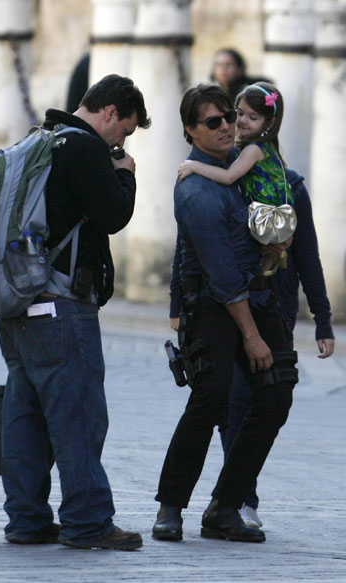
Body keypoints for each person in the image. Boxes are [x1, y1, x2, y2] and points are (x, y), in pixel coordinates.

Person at [0, 74, 151, 550]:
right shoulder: (82, 148)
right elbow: (111, 215)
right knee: (79, 415)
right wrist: (124, 174)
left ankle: (26, 520)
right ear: (109, 112)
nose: (120, 140)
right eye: (123, 130)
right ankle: (87, 522)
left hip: (18, 302)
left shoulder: (37, 139)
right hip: (62, 305)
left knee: (23, 414)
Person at [152, 83, 298, 544]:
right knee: (210, 398)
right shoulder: (196, 188)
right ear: (191, 131)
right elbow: (216, 269)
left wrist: (276, 240)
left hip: (256, 294)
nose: (226, 127)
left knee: (276, 394)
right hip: (219, 304)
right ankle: (170, 507)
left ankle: (226, 505)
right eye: (213, 122)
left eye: (229, 118)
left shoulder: (243, 169)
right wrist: (250, 336)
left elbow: (267, 222)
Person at [223, 167, 335, 528]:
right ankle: (238, 498)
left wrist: (322, 317)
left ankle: (236, 496)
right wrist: (179, 307)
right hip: (228, 307)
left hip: (276, 313)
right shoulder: (222, 180)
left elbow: (307, 256)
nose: (239, 125)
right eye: (236, 117)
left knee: (268, 404)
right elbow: (191, 244)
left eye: (252, 117)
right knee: (233, 405)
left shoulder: (293, 188)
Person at [178, 81, 296, 275]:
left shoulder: (252, 150)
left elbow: (228, 177)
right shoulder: (262, 148)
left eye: (253, 117)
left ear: (269, 123)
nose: (242, 121)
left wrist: (194, 166)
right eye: (239, 113)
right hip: (274, 215)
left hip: (269, 217)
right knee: (262, 271)